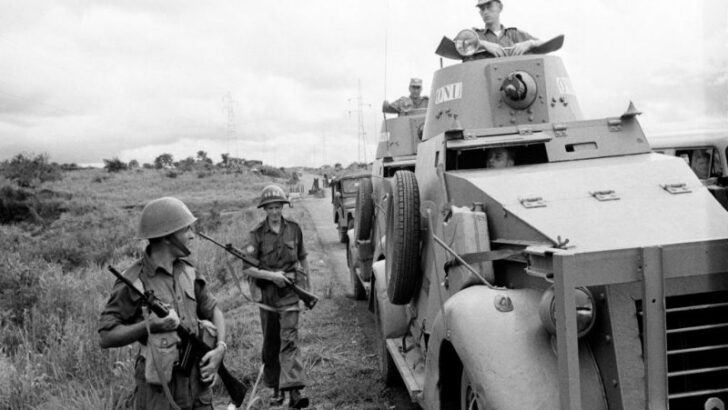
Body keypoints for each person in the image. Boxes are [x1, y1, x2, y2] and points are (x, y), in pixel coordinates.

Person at [98, 197, 227, 410]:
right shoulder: (133, 281)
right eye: (186, 229)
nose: (192, 235)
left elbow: (214, 312)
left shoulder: (189, 270)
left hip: (198, 387)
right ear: (168, 236)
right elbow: (105, 336)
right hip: (159, 393)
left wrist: (220, 350)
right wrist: (150, 326)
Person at [242, 185, 310, 409]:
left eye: (278, 206)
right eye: (270, 207)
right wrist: (272, 276)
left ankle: (295, 392)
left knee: (289, 340)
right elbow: (248, 269)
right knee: (272, 342)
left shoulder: (294, 229)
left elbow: (302, 257)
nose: (274, 211)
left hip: (291, 293)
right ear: (264, 209)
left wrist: (307, 287)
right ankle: (276, 388)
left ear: (283, 206)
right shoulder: (257, 234)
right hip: (268, 297)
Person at [474, 0, 544, 57]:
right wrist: (483, 44)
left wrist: (530, 43)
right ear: (480, 13)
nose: (485, 12)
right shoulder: (475, 36)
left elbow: (546, 45)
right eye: (482, 9)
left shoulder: (514, 34)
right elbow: (463, 46)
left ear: (500, 7)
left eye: (489, 6)